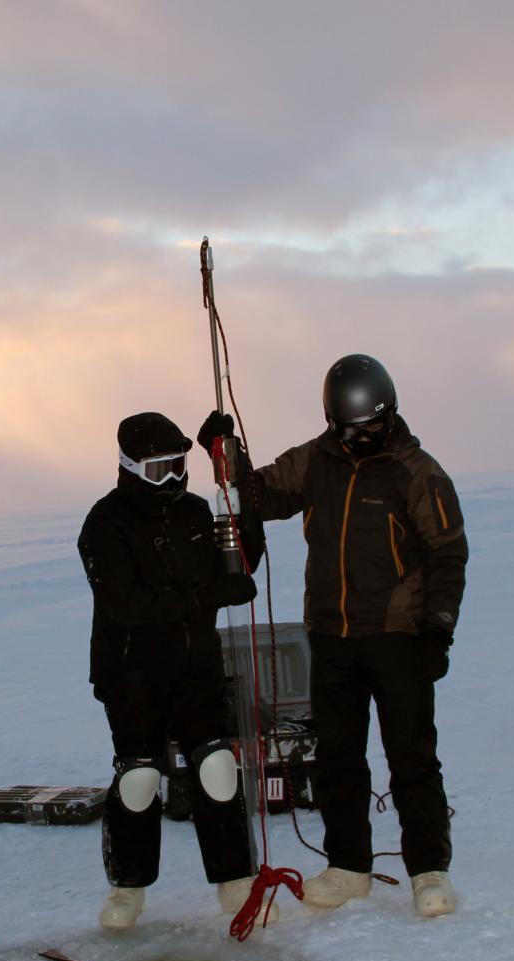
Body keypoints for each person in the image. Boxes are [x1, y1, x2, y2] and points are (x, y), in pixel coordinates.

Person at [198, 354, 468, 918]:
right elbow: (261, 494)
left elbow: (447, 556)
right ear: (332, 421)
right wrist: (227, 454)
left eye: (374, 425)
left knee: (413, 758)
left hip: (398, 639)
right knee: (339, 759)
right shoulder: (316, 461)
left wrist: (437, 632)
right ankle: (349, 867)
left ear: (390, 411)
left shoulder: (419, 474)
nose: (365, 437)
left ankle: (429, 871)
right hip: (332, 637)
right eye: (353, 429)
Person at [77, 411, 266, 931]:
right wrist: (211, 595)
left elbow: (242, 558)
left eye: (181, 465)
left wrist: (231, 474)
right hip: (131, 672)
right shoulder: (103, 524)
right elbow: (129, 604)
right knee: (139, 776)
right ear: (130, 467)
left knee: (216, 769)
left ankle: (235, 880)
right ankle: (128, 887)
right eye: (161, 469)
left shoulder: (197, 511)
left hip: (196, 666)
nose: (175, 479)